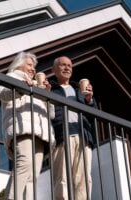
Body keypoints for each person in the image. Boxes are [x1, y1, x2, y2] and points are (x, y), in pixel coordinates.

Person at [0, 51, 55, 200]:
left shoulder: (37, 84)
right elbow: (2, 94)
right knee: (24, 164)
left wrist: (47, 95)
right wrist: (22, 88)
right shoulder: (12, 77)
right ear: (19, 64)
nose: (33, 69)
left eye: (34, 67)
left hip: (41, 132)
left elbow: (52, 114)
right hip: (22, 128)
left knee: (33, 174)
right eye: (29, 64)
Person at [50, 56, 97, 200]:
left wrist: (89, 100)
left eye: (69, 66)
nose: (67, 68)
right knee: (62, 178)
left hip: (83, 136)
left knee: (84, 179)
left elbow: (92, 115)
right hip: (62, 136)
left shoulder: (79, 91)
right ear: (54, 70)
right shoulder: (51, 89)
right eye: (63, 65)